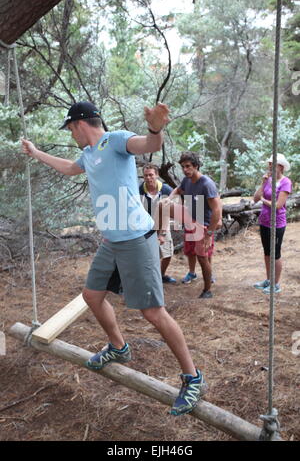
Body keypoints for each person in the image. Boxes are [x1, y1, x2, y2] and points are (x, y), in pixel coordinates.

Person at [21, 101, 207, 416]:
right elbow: (69, 167)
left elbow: (148, 144)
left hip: (136, 240)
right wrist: (36, 152)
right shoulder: (88, 154)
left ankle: (193, 378)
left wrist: (155, 128)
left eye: (69, 129)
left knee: (153, 313)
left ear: (79, 124)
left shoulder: (116, 140)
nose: (71, 135)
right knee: (92, 295)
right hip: (112, 242)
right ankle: (119, 348)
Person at [169, 152, 222, 298]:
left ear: (196, 166)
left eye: (188, 166)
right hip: (191, 221)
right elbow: (179, 189)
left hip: (203, 225)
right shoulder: (187, 180)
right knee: (191, 252)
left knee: (203, 257)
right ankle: (193, 274)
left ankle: (207, 290)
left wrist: (209, 233)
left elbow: (216, 208)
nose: (185, 170)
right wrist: (170, 198)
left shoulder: (206, 184)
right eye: (183, 167)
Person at [253, 153, 292, 294]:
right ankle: (269, 280)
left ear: (280, 167)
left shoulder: (285, 182)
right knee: (267, 252)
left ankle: (276, 284)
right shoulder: (268, 180)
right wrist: (263, 183)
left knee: (275, 253)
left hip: (277, 223)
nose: (269, 166)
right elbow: (255, 198)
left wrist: (263, 200)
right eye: (269, 164)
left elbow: (278, 205)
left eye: (272, 164)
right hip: (264, 221)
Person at [139, 163, 176, 284]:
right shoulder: (139, 190)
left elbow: (173, 208)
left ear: (157, 175)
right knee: (145, 256)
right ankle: (146, 279)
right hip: (144, 227)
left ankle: (161, 275)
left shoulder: (166, 190)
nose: (148, 178)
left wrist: (163, 232)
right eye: (146, 175)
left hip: (163, 225)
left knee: (167, 253)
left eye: (151, 175)